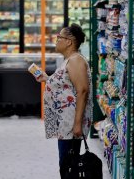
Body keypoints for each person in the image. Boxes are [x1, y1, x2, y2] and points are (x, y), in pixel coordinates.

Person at [36, 23, 93, 171]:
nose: (56, 40)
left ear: (69, 41)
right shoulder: (70, 60)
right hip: (65, 125)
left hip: (71, 125)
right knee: (66, 164)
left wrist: (77, 124)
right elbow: (68, 86)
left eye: (59, 37)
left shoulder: (76, 60)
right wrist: (47, 79)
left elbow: (83, 91)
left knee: (68, 166)